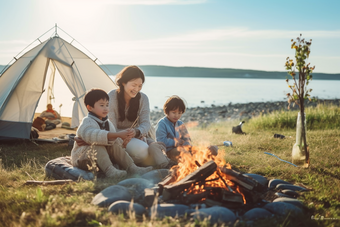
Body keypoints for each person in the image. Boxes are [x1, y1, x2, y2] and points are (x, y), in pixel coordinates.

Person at [71, 88, 153, 178]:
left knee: (115, 146)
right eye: (101, 105)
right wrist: (118, 134)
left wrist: (123, 142)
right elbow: (93, 135)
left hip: (101, 158)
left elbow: (115, 142)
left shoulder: (108, 123)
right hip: (83, 158)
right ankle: (110, 171)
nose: (106, 108)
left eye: (107, 105)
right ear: (90, 107)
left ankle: (132, 167)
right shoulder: (88, 121)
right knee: (97, 145)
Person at [108, 65, 171, 169]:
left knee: (144, 151)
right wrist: (122, 135)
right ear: (123, 82)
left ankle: (130, 161)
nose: (136, 89)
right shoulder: (112, 96)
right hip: (116, 137)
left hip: (135, 136)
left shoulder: (143, 98)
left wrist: (136, 132)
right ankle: (124, 162)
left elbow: (146, 123)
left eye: (140, 86)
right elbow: (111, 125)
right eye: (134, 85)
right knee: (143, 152)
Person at [155, 95, 218, 163]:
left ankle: (205, 160)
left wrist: (187, 145)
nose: (176, 115)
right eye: (174, 112)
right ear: (167, 111)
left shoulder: (180, 124)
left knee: (203, 150)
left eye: (179, 113)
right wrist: (176, 142)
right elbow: (161, 141)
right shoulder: (162, 124)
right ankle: (194, 163)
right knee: (184, 152)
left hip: (183, 149)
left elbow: (187, 139)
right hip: (169, 152)